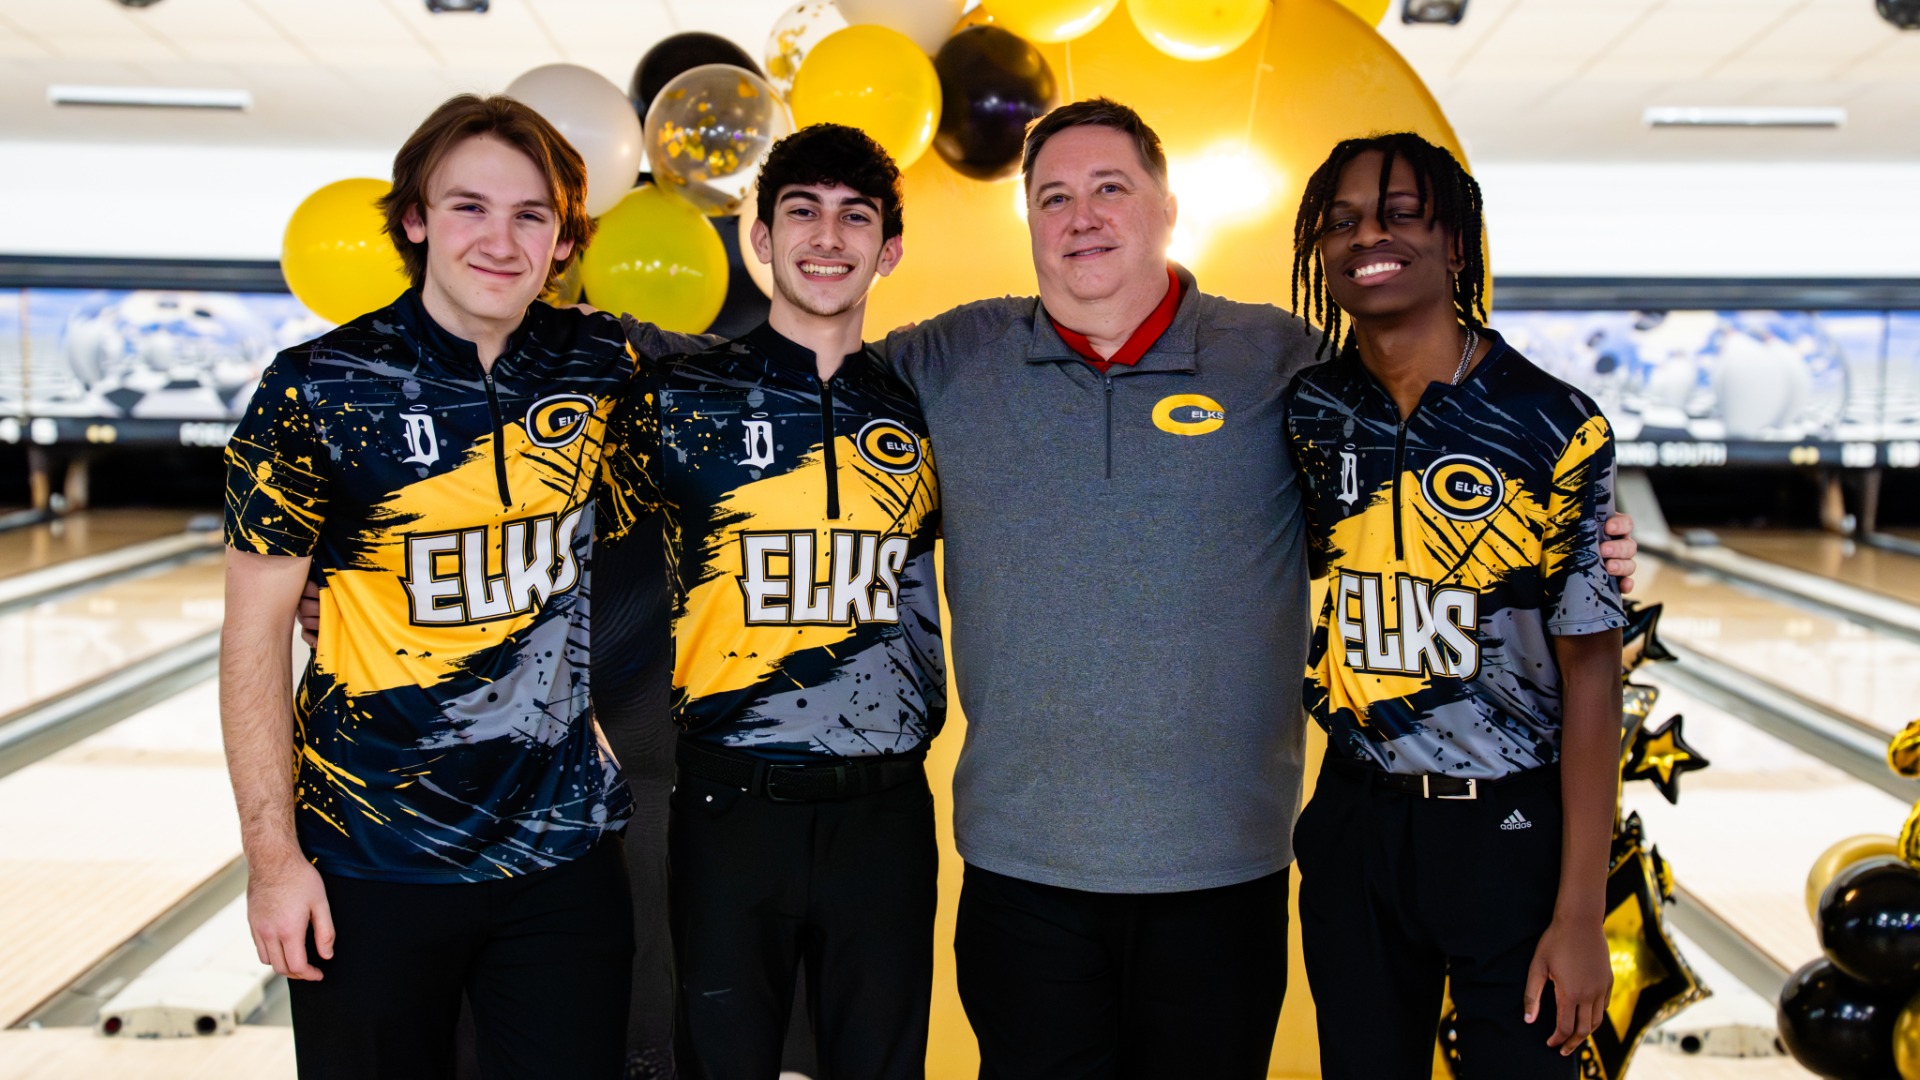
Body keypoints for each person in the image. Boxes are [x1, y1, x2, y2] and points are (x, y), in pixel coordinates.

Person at [857, 99, 1639, 1079]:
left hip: (1226, 873)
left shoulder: (1283, 364)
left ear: (1168, 206)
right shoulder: (948, 358)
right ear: (1027, 221)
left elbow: (1441, 430)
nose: (1082, 216)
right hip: (1023, 873)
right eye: (1053, 197)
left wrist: (1583, 532)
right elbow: (796, 387)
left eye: (1111, 188)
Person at [220, 93, 703, 1079]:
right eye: (469, 207)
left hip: (564, 868)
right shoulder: (316, 388)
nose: (500, 238)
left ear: (565, 241)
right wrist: (274, 865)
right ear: (415, 219)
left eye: (532, 215)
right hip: (369, 862)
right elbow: (251, 638)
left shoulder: (601, 369)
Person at [597, 123, 943, 1080]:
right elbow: (535, 514)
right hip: (728, 803)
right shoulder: (679, 398)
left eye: (854, 216)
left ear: (890, 248)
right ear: (761, 238)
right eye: (803, 213)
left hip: (885, 810)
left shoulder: (921, 405)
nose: (827, 237)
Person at [1283, 131, 1621, 1078]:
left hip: (1507, 834)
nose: (1366, 237)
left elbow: (1594, 674)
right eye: (1341, 221)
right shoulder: (1308, 412)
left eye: (1399, 215)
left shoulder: (1552, 421)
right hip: (1355, 822)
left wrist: (1581, 912)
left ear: (1458, 245)